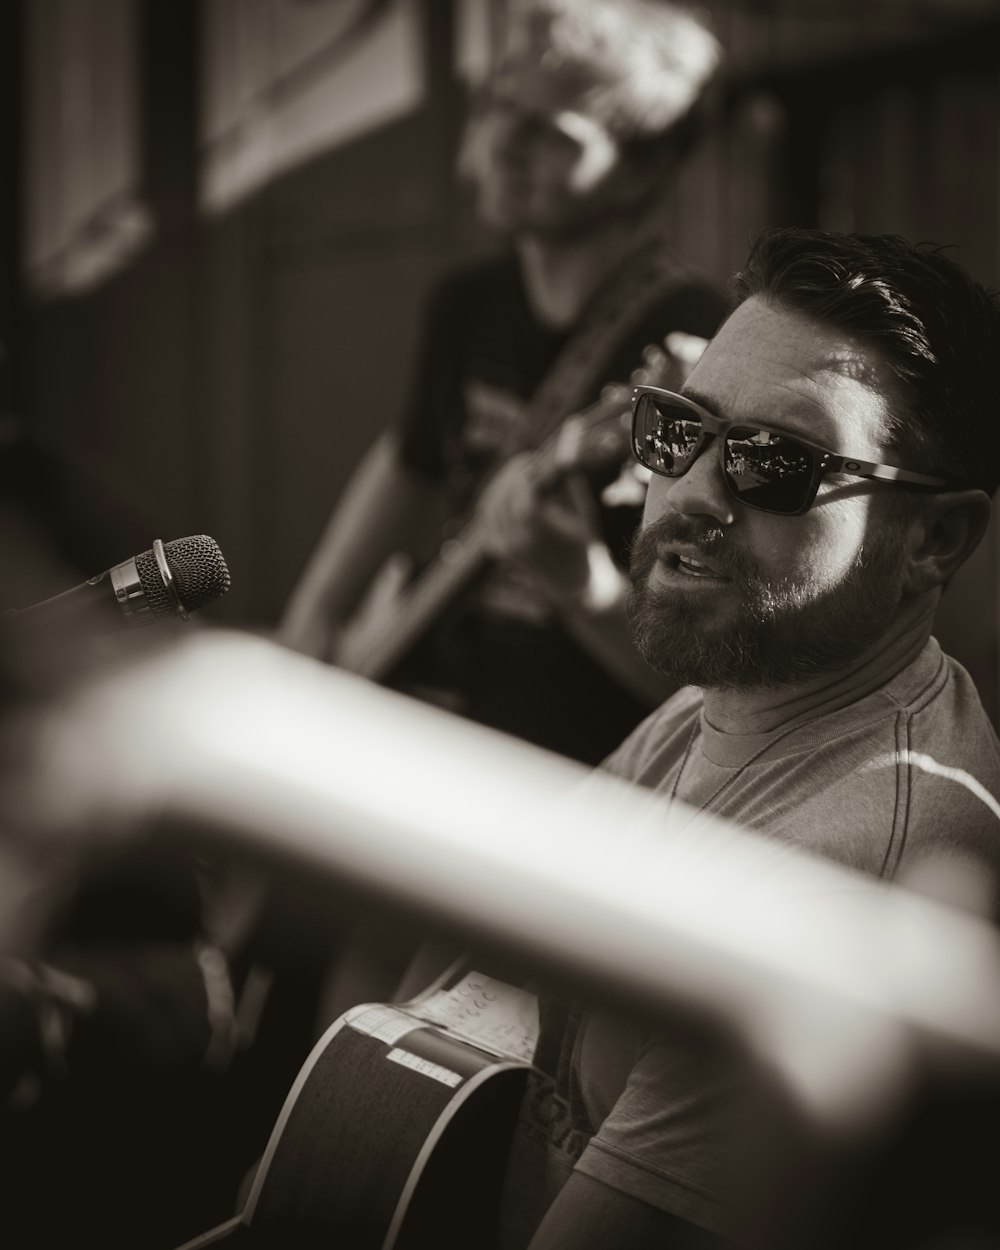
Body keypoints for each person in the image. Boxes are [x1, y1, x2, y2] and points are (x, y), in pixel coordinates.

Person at [492, 228, 1000, 1249]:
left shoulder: (836, 885)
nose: (690, 493)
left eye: (776, 464)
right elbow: (487, 963)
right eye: (674, 428)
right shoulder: (729, 688)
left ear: (935, 539)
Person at [280, 0, 727, 766]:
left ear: (645, 165)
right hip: (439, 700)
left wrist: (584, 590)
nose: (502, 146)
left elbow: (710, 690)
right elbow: (412, 456)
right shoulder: (467, 303)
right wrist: (316, 618)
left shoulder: (707, 344)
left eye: (551, 133)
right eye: (501, 107)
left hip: (593, 763)